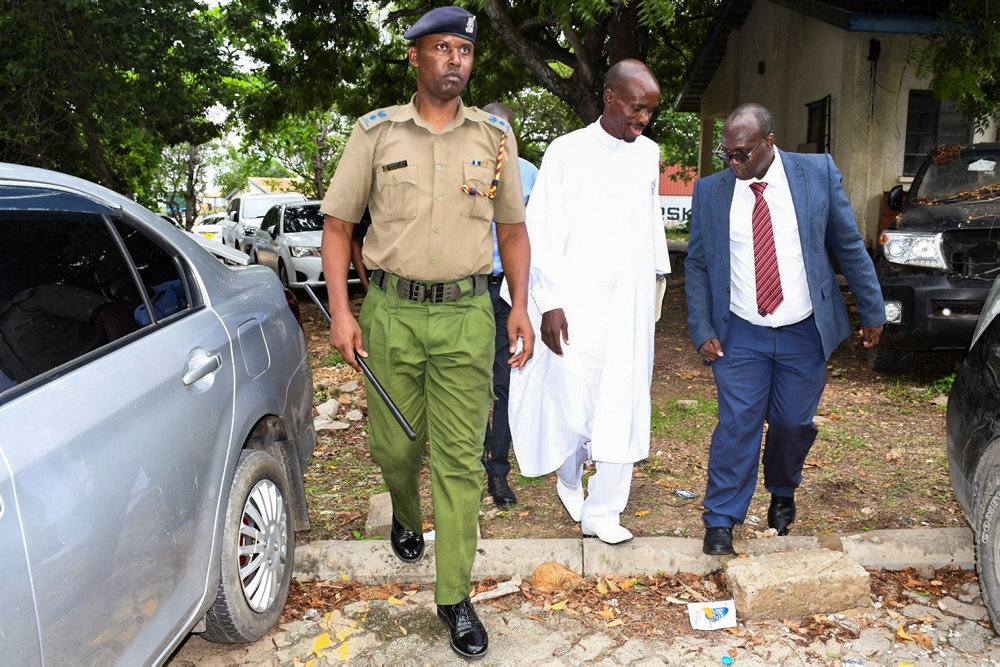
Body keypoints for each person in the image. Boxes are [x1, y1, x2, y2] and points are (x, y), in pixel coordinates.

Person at [318, 6, 534, 660]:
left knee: (461, 460)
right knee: (395, 449)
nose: (454, 62)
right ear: (415, 56)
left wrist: (520, 304)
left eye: (464, 52)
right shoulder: (375, 134)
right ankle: (404, 513)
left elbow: (513, 231)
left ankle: (453, 595)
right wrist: (341, 312)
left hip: (469, 315)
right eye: (442, 49)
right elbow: (337, 227)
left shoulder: (494, 137)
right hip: (391, 313)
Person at [684, 102, 886, 556]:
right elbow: (697, 263)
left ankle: (782, 488)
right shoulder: (711, 191)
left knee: (794, 423)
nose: (735, 163)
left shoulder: (815, 173)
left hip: (803, 331)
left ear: (769, 142)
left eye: (744, 153)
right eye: (727, 154)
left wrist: (872, 311)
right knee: (738, 425)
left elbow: (849, 244)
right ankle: (720, 520)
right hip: (741, 331)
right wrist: (700, 326)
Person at [507, 59, 670, 545]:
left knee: (624, 400)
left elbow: (651, 221)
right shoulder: (567, 152)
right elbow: (543, 230)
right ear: (610, 98)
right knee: (573, 397)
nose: (643, 121)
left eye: (650, 113)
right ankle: (568, 474)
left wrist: (657, 280)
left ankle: (604, 512)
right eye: (637, 109)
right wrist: (550, 301)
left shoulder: (648, 153)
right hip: (576, 299)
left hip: (630, 303)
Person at [479, 101, 538, 507]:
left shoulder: (532, 175)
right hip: (463, 289)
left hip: (506, 293)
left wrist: (526, 300)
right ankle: (467, 463)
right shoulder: (462, 165)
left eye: (505, 131)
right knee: (463, 383)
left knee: (505, 384)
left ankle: (497, 472)